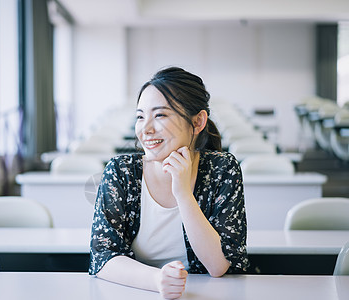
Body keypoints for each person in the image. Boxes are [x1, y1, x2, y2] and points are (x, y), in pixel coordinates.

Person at [89, 66, 249, 299]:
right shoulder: (120, 172)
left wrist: (183, 194)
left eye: (160, 115)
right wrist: (158, 280)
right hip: (136, 293)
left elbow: (219, 266)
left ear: (198, 122)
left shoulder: (222, 170)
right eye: (141, 116)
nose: (146, 129)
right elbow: (103, 257)